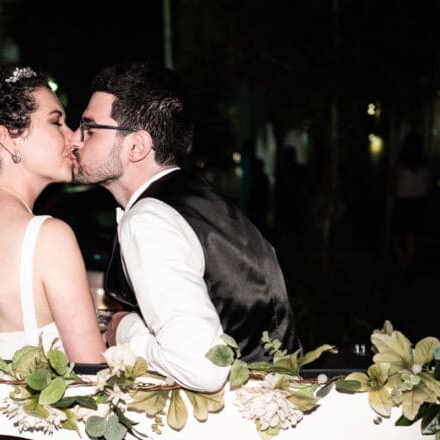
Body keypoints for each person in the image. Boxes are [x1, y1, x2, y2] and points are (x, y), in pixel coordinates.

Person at [70, 61, 299, 392]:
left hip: (229, 429)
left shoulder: (149, 220)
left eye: (89, 129)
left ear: (137, 145)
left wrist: (124, 329)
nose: (76, 140)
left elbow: (202, 367)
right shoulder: (203, 200)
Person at [0, 65, 105, 363]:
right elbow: (91, 371)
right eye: (57, 122)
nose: (73, 137)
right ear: (8, 136)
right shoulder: (48, 236)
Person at [389, 132, 432, 272]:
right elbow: (428, 185)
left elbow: (394, 185)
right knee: (411, 236)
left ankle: (405, 264)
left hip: (404, 201)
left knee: (399, 235)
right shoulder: (424, 164)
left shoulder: (401, 164)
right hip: (418, 201)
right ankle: (407, 264)